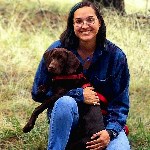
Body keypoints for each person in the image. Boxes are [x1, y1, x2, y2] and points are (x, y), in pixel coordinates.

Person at [31, 1, 130, 150]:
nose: (84, 26)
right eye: (78, 21)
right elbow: (37, 93)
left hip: (101, 122)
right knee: (66, 102)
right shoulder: (56, 50)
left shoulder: (116, 56)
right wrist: (78, 95)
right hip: (68, 119)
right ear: (72, 25)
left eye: (90, 20)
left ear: (100, 22)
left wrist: (110, 132)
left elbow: (120, 103)